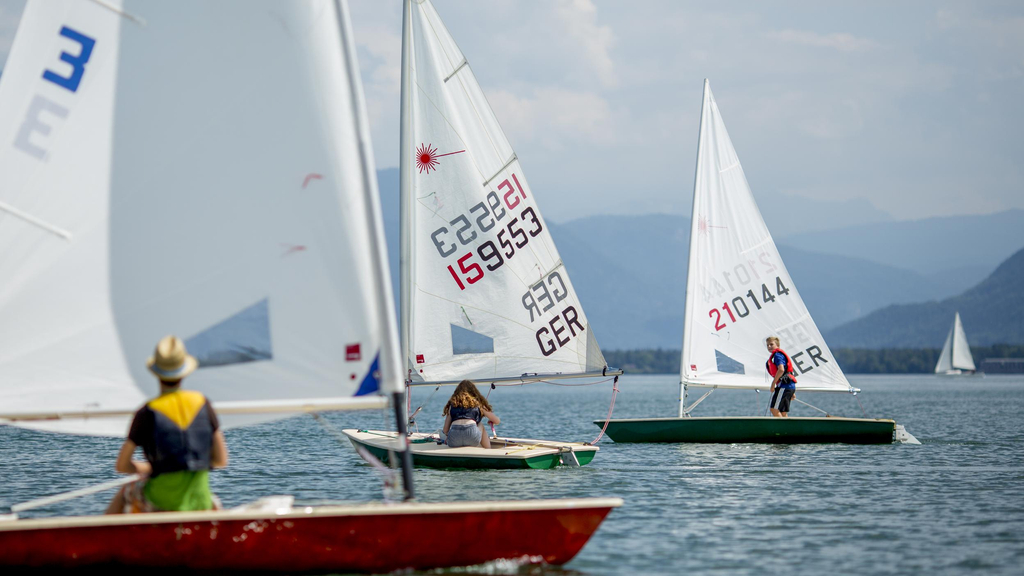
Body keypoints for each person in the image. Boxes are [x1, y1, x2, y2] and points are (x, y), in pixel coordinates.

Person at [106, 335, 228, 514]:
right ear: (184, 371)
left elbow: (122, 466)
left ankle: (105, 539)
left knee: (127, 490)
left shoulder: (147, 412)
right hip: (199, 502)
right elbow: (220, 460)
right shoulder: (203, 403)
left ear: (156, 373)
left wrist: (150, 467)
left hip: (160, 501)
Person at [442, 380, 500, 449]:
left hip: (454, 439)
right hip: (472, 437)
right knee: (480, 425)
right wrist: (491, 421)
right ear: (473, 391)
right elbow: (497, 421)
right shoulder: (478, 403)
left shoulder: (453, 404)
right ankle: (488, 449)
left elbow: (445, 430)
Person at [765, 336, 798, 417]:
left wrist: (773, 384)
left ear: (777, 345)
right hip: (789, 386)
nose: (769, 346)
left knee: (774, 409)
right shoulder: (778, 355)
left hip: (784, 386)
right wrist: (792, 392)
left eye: (771, 344)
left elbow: (781, 370)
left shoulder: (777, 355)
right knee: (783, 412)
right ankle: (789, 428)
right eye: (767, 345)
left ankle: (783, 429)